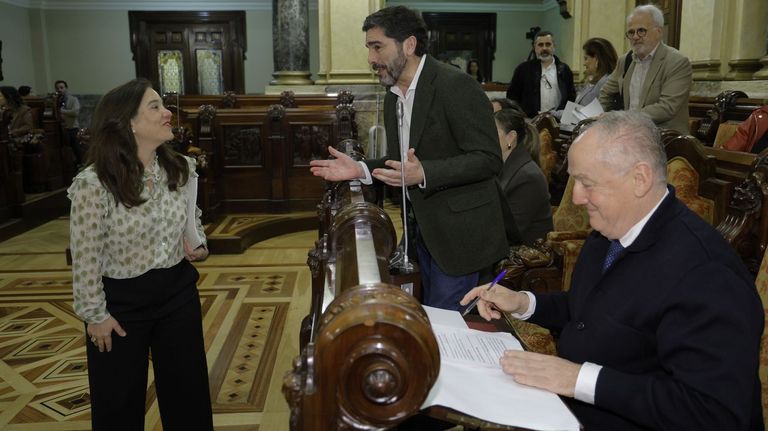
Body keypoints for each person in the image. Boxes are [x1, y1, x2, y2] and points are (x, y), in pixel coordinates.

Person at [461, 111, 764, 430]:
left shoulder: (706, 273)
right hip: (570, 412)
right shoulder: (609, 231)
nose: (576, 197)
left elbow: (713, 413)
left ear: (640, 179)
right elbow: (590, 310)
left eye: (586, 182)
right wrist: (524, 303)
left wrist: (577, 379)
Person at [309, 6, 508, 311]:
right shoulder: (393, 97)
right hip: (421, 233)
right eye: (369, 48)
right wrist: (359, 168)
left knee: (443, 329)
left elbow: (488, 159)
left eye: (378, 47)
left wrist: (424, 173)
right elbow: (400, 162)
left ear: (409, 45)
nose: (371, 59)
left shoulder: (454, 85)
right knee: (424, 316)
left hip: (460, 238)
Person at [68, 78, 213, 431]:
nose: (167, 113)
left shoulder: (180, 169)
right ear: (128, 122)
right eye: (155, 107)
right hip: (120, 304)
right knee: (118, 401)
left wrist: (199, 246)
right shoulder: (94, 183)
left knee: (188, 395)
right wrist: (95, 315)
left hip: (177, 293)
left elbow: (192, 223)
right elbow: (85, 257)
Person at [598, 4, 692, 134]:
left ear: (658, 32)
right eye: (631, 32)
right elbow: (605, 93)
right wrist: (601, 117)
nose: (635, 37)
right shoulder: (625, 60)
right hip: (630, 134)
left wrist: (622, 117)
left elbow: (667, 108)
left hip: (665, 139)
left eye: (641, 31)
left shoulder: (677, 62)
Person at [494, 108, 552, 245]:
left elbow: (507, 232)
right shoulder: (503, 165)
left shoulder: (528, 177)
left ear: (511, 137)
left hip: (524, 258)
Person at [506, 30, 576, 119]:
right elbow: (512, 97)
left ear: (554, 46)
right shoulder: (523, 69)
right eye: (540, 45)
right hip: (530, 121)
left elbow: (571, 98)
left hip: (558, 120)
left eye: (548, 44)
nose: (544, 48)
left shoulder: (564, 70)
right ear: (534, 47)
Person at [55, 80, 83, 167]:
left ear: (66, 88)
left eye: (61, 87)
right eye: (57, 88)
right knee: (64, 150)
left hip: (72, 128)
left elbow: (75, 113)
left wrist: (61, 111)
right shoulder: (56, 100)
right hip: (61, 128)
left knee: (76, 149)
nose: (59, 90)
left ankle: (80, 165)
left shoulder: (73, 99)